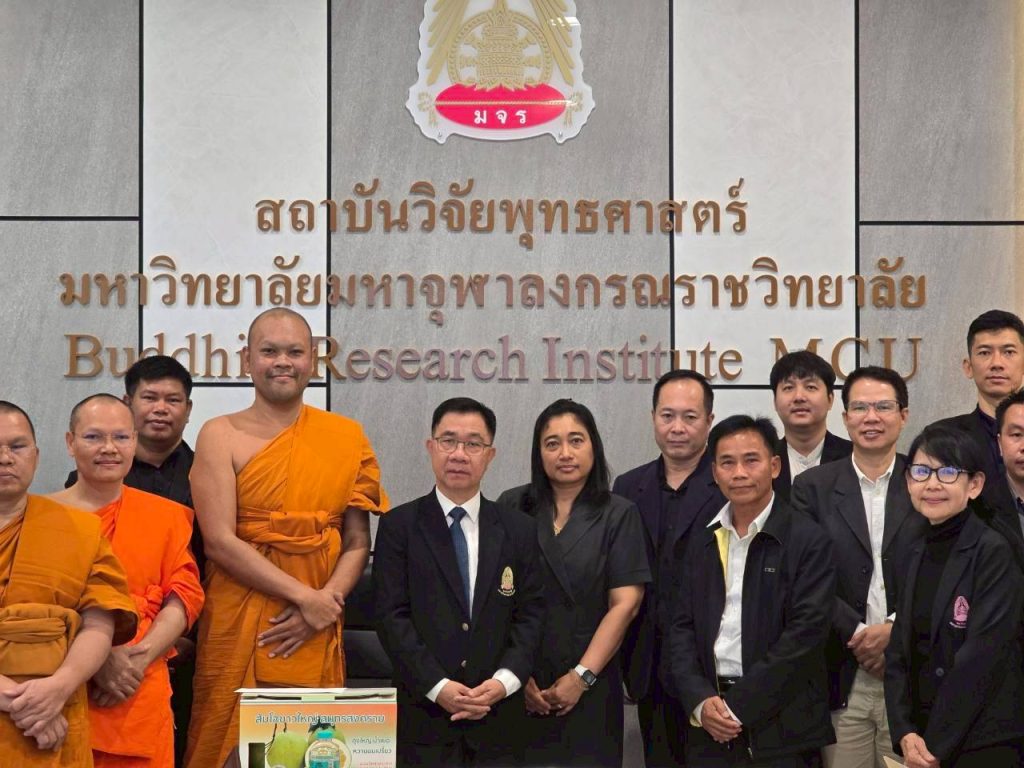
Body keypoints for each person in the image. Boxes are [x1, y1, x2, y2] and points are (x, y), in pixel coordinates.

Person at [184, 308, 388, 768]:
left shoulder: (346, 436)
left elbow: (357, 539)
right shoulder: (219, 434)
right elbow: (219, 541)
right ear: (247, 359)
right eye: (269, 351)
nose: (282, 361)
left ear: (312, 360)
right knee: (227, 748)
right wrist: (305, 599)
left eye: (295, 351)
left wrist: (325, 604)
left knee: (311, 750)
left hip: (317, 619)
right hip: (241, 616)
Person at [373, 398, 544, 767]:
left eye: (473, 444)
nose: (459, 454)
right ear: (430, 447)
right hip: (423, 720)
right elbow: (391, 618)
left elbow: (531, 616)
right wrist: (439, 687)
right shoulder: (398, 527)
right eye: (448, 441)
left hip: (499, 721)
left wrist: (503, 683)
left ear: (490, 454)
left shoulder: (519, 529)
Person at [668, 415, 835, 767]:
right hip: (708, 721)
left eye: (751, 460)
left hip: (783, 725)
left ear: (774, 466)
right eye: (727, 463)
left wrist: (737, 707)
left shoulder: (808, 539)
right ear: (714, 473)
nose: (739, 473)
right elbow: (680, 627)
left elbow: (805, 636)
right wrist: (700, 701)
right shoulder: (702, 540)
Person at [49, 394, 204, 768]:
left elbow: (183, 596)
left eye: (120, 437)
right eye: (93, 437)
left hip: (139, 684)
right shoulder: (43, 517)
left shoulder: (167, 516)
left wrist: (140, 658)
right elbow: (33, 605)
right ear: (70, 442)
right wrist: (98, 656)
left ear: (134, 441)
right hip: (61, 686)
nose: (109, 448)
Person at [498, 399, 649, 767]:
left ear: (593, 446)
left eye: (576, 440)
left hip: (591, 681)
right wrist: (515, 675)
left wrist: (581, 678)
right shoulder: (512, 505)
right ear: (539, 453)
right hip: (519, 683)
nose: (565, 453)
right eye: (552, 443)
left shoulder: (619, 513)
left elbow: (625, 605)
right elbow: (495, 600)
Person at [790, 366, 927, 768]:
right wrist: (858, 635)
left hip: (914, 672)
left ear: (903, 415)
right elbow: (805, 576)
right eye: (861, 408)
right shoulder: (812, 488)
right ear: (845, 416)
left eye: (883, 407)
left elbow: (941, 568)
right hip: (842, 669)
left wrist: (895, 630)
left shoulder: (927, 480)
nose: (871, 418)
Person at [0, 401, 137, 765]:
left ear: (36, 455)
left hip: (58, 711)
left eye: (17, 446)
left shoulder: (79, 530)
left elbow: (100, 623)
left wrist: (58, 688)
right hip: (41, 715)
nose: (5, 458)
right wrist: (21, 702)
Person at [885, 423, 1024, 767]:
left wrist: (934, 746)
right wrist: (904, 731)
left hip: (983, 738)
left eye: (947, 472)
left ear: (974, 485)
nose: (932, 484)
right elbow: (899, 648)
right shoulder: (910, 546)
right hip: (920, 735)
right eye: (921, 471)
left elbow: (981, 658)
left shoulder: (993, 550)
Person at [614, 369, 724, 767]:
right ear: (653, 418)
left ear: (709, 420)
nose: (677, 427)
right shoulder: (628, 487)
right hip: (648, 664)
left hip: (712, 667)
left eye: (690, 417)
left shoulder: (730, 482)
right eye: (667, 416)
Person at [935, 309, 1024, 510]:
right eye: (984, 353)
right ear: (968, 367)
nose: (997, 363)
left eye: (1008, 352)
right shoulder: (943, 438)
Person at [770, 350, 852, 501]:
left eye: (810, 387)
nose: (799, 397)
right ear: (775, 402)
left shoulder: (854, 457)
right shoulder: (764, 461)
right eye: (788, 388)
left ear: (830, 399)